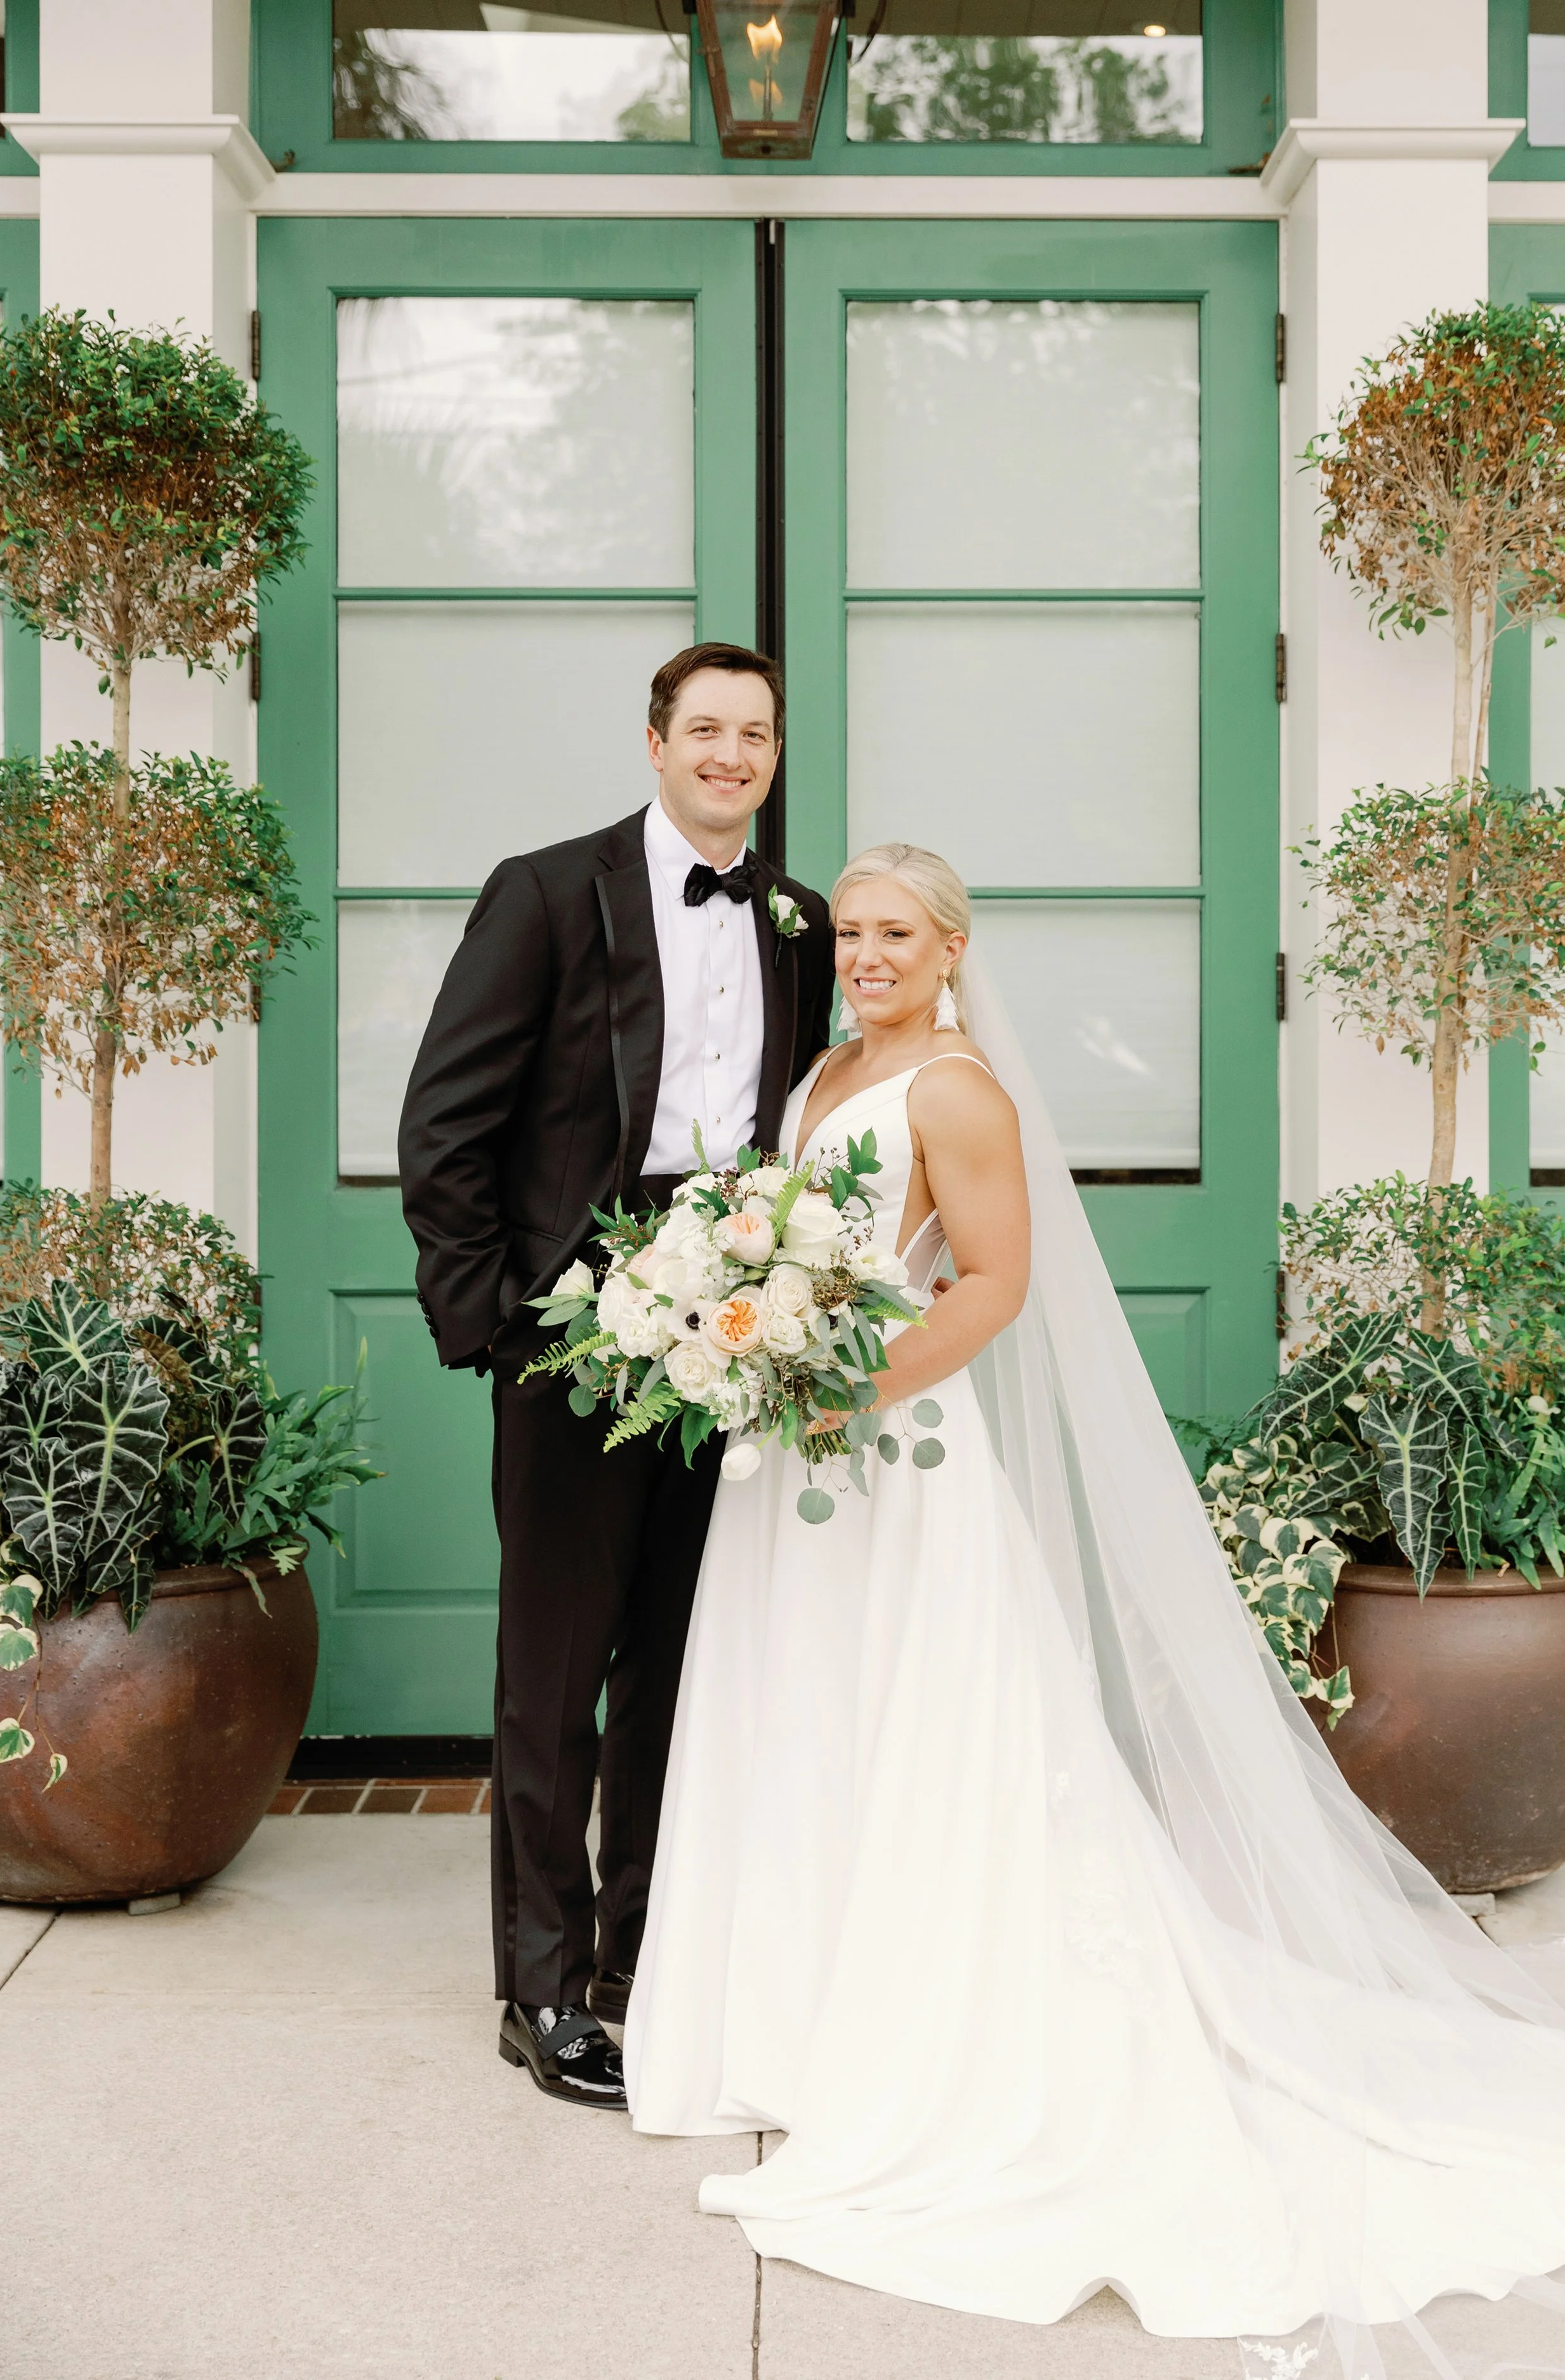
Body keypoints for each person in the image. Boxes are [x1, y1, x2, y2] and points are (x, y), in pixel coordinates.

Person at [624, 842, 1565, 2376]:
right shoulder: (818, 1080)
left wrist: (832, 1387)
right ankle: (791, 2026)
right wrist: (739, 1347)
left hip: (896, 1466)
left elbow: (987, 1284)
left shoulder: (955, 1089)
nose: (864, 955)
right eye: (849, 933)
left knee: (923, 1746)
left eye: (894, 936)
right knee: (797, 1729)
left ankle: (929, 2044)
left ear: (949, 948)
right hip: (791, 1486)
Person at [398, 643, 833, 2111]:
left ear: (774, 756)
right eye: (703, 728)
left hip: (732, 1322)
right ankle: (539, 1988)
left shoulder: (799, 919)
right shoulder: (544, 892)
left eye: (753, 733)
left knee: (679, 1653)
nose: (729, 754)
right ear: (652, 743)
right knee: (556, 1667)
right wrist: (496, 1325)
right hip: (573, 1326)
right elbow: (445, 1122)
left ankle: (648, 1956)